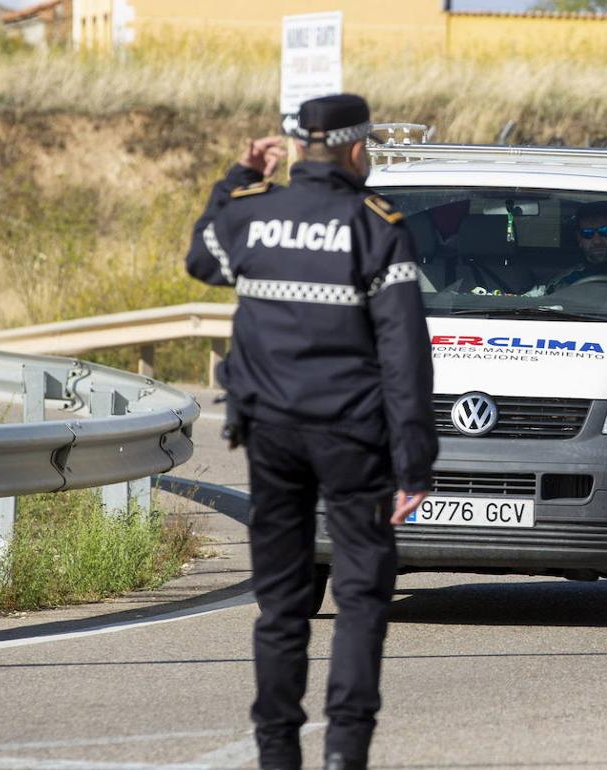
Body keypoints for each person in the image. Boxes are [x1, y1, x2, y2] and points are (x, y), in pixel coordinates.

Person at [185, 94, 438, 770]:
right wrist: (415, 460)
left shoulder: (251, 214)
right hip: (352, 438)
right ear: (357, 150)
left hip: (269, 435)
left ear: (299, 148)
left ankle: (276, 755)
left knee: (282, 605)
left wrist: (236, 180)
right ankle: (344, 755)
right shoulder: (378, 224)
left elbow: (201, 260)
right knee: (358, 596)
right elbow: (404, 351)